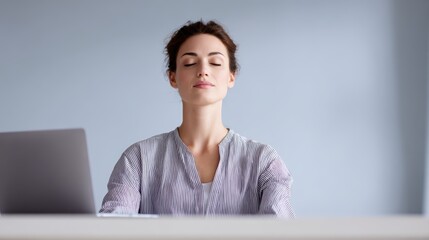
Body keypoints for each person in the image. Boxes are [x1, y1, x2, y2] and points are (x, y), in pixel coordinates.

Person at [100, 20, 294, 217]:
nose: (203, 71)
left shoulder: (263, 161)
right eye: (190, 63)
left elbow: (280, 230)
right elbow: (114, 224)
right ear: (173, 77)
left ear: (231, 76)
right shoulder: (139, 159)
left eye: (215, 63)